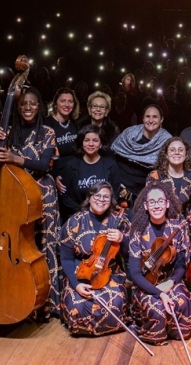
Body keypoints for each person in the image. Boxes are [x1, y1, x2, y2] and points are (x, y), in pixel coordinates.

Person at [0, 86, 61, 318]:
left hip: (43, 194)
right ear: (17, 106)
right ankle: (19, 301)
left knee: (45, 245)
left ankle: (47, 305)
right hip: (15, 196)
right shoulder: (8, 131)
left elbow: (45, 165)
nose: (28, 107)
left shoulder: (46, 131)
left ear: (39, 107)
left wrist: (15, 158)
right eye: (23, 103)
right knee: (20, 246)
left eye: (33, 103)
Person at [129, 182, 191, 344]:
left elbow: (181, 264)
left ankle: (173, 330)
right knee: (157, 307)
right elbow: (134, 273)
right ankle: (157, 332)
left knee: (181, 302)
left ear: (167, 203)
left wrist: (171, 282)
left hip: (170, 280)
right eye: (152, 202)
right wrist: (158, 292)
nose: (157, 206)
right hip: (145, 283)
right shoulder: (138, 230)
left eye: (160, 201)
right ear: (146, 206)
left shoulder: (177, 227)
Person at [59, 181, 130, 336]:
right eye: (97, 195)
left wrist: (122, 239)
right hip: (80, 273)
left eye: (106, 197)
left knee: (115, 302)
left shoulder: (119, 221)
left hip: (109, 272)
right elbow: (66, 258)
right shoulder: (74, 222)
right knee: (76, 306)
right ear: (89, 197)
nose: (101, 200)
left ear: (111, 200)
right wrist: (76, 284)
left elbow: (129, 255)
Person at [54, 124, 121, 220]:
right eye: (86, 140)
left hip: (104, 216)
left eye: (95, 140)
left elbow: (115, 194)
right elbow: (65, 196)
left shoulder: (111, 165)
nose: (91, 144)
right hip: (77, 216)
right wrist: (83, 213)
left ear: (101, 144)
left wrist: (101, 211)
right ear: (81, 143)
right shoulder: (71, 165)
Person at [111, 104, 172, 202]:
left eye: (155, 117)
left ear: (161, 120)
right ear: (143, 119)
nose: (151, 120)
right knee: (123, 214)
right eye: (147, 116)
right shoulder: (129, 133)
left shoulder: (167, 141)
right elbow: (114, 154)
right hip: (122, 184)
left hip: (148, 188)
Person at [146, 136, 191, 214]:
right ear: (166, 155)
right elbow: (149, 202)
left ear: (186, 155)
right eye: (172, 150)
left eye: (180, 150)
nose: (176, 152)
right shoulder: (154, 175)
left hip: (183, 222)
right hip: (160, 221)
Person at [44, 87, 79, 160]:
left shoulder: (75, 123)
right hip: (56, 168)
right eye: (63, 101)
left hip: (75, 166)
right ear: (56, 103)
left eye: (70, 101)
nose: (67, 104)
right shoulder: (46, 123)